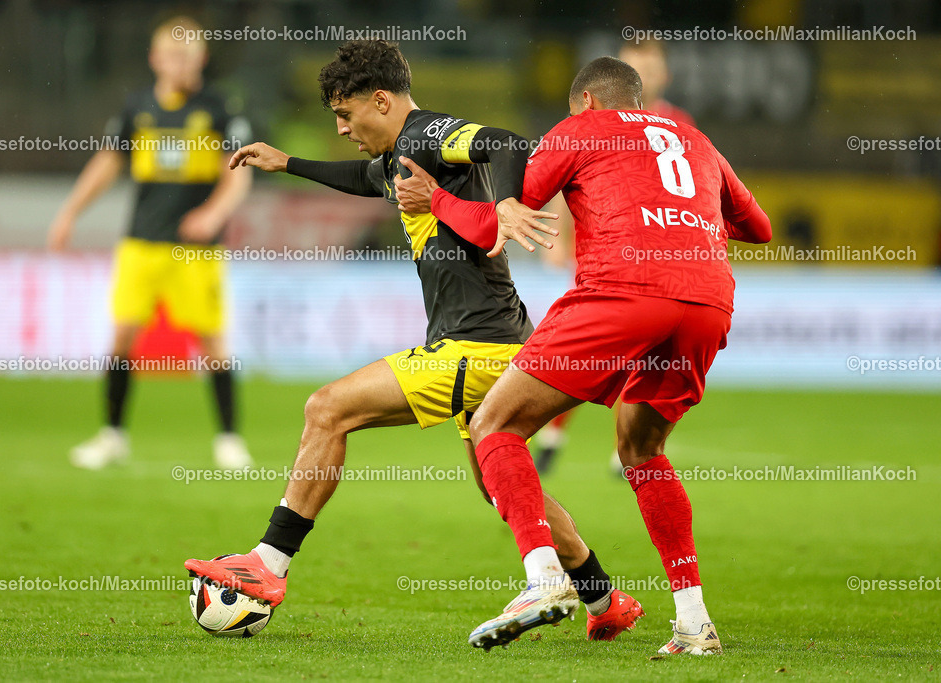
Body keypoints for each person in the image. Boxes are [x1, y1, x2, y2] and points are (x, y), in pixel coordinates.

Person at [184, 40, 643, 648]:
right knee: (499, 484)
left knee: (327, 408)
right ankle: (605, 600)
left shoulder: (427, 134)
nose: (343, 129)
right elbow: (363, 178)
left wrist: (505, 202)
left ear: (382, 100)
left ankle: (268, 563)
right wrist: (288, 162)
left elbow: (505, 143)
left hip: (474, 347)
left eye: (347, 116)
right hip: (499, 341)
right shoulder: (402, 152)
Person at [394, 56, 771, 653]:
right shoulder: (696, 140)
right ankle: (694, 622)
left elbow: (508, 219)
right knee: (643, 450)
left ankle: (544, 578)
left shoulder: (578, 129)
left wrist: (436, 200)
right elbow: (759, 227)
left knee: (494, 423)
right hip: (707, 302)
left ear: (587, 102)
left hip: (624, 291)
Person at [47, 16, 254, 470]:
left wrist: (213, 213)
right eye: (172, 55)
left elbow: (238, 174)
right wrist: (69, 213)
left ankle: (229, 440)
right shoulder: (137, 107)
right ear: (155, 58)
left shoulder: (220, 108)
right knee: (122, 338)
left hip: (195, 249)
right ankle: (112, 435)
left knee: (212, 341)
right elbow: (107, 164)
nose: (181, 64)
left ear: (201, 58)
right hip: (140, 243)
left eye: (190, 55)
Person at [534, 38, 695, 476]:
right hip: (604, 256)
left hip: (663, 265)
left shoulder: (680, 124)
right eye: (635, 67)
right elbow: (570, 180)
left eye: (651, 67)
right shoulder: (598, 121)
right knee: (596, 351)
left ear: (665, 76)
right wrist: (560, 239)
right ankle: (555, 430)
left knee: (645, 355)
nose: (645, 74)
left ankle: (621, 446)